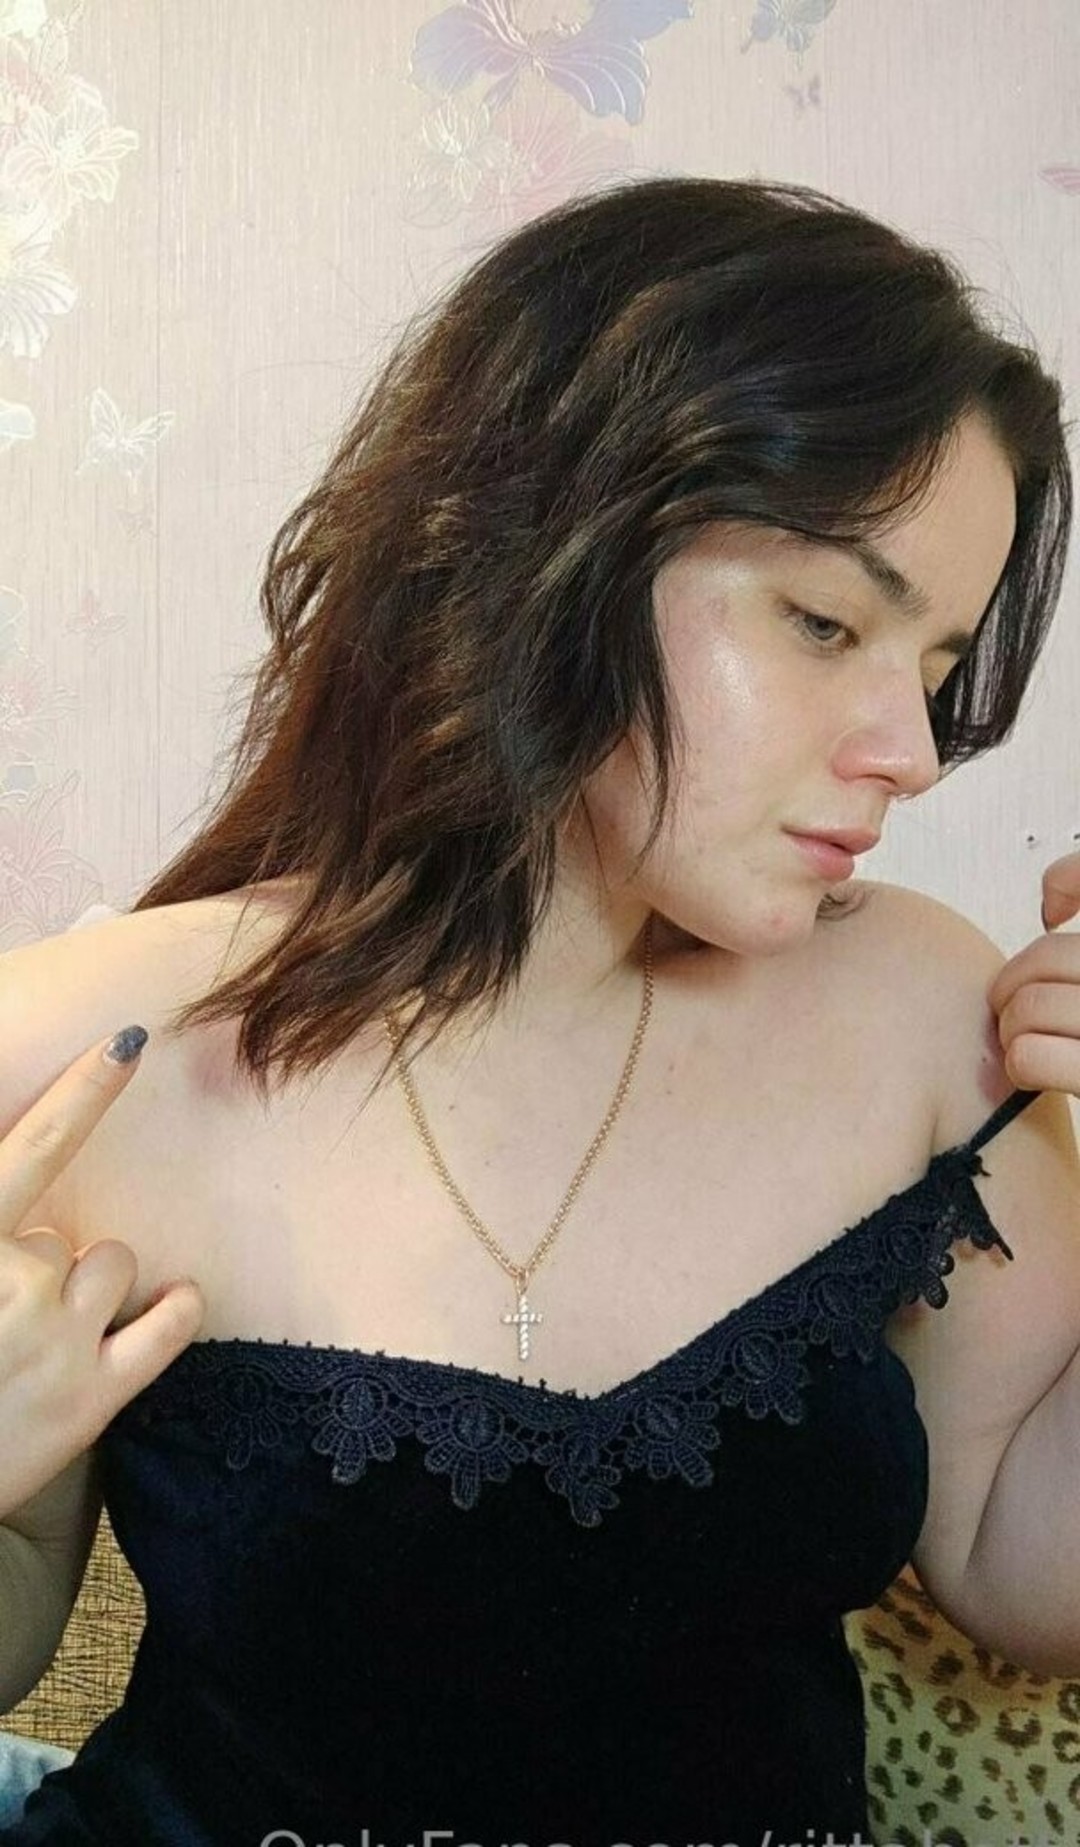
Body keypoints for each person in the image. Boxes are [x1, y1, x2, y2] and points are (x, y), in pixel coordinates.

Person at [0, 172, 1074, 1844]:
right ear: (543, 543)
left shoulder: (934, 1012)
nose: (913, 751)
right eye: (824, 622)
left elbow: (1027, 1564)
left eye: (936, 668)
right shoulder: (97, 1046)